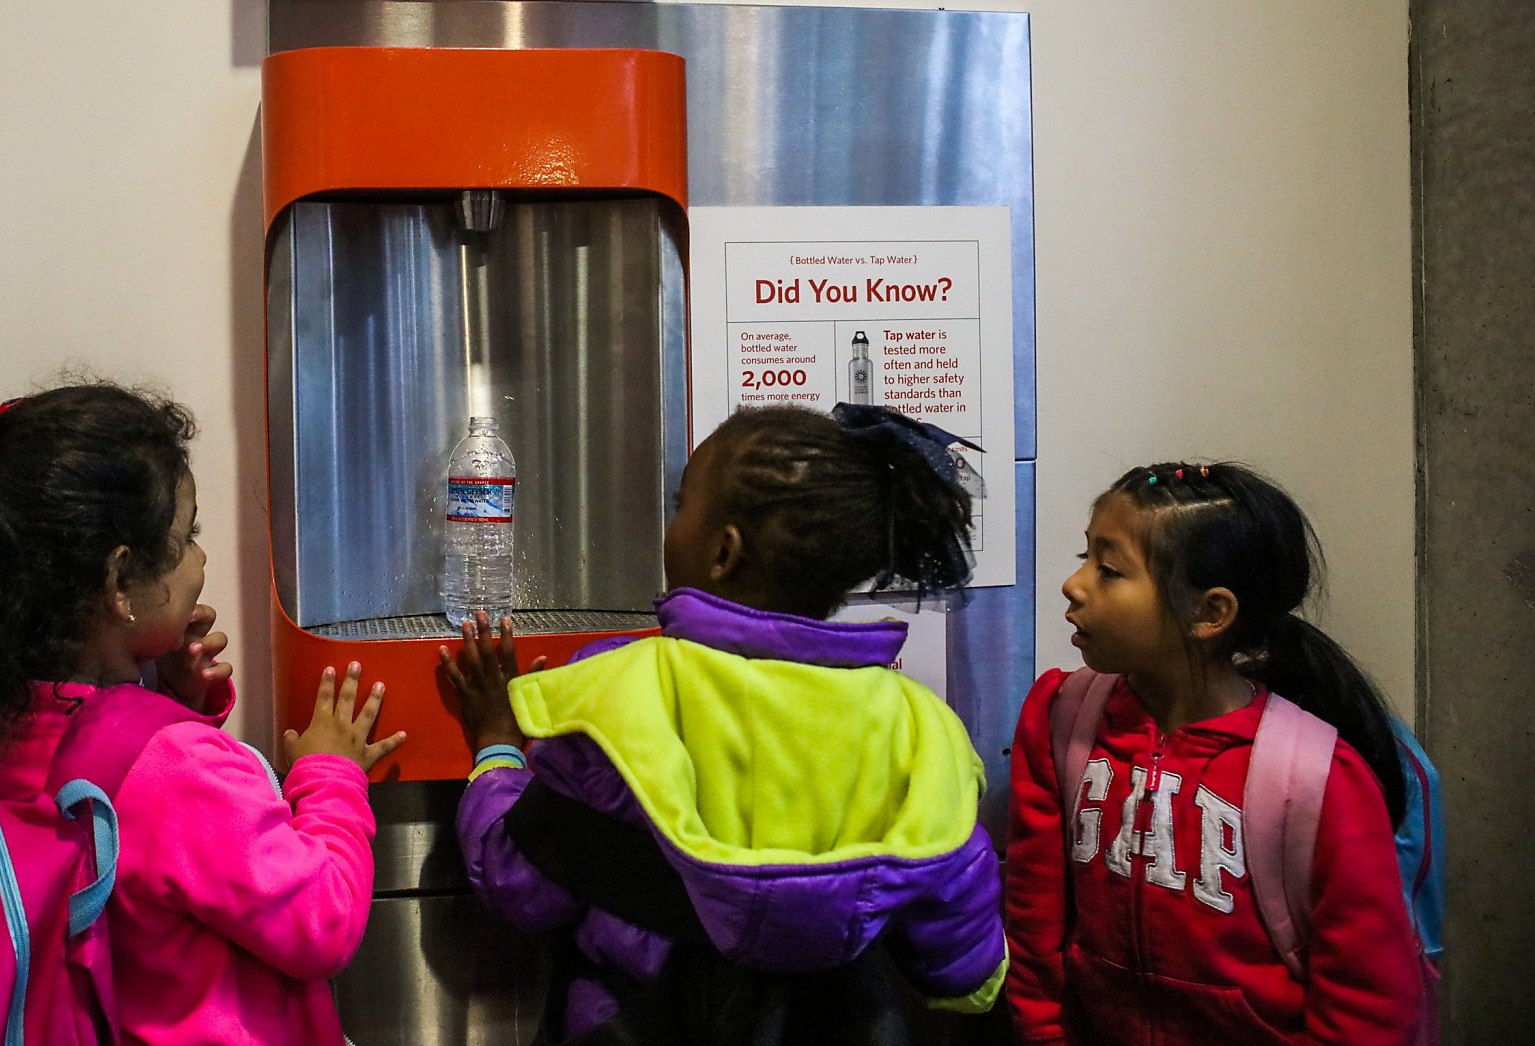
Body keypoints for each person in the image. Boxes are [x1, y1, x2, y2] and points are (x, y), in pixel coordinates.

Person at [0, 382, 403, 1045]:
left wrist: (167, 702)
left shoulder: (0, 726)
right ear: (122, 583)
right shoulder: (173, 765)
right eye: (187, 538)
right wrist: (329, 774)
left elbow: (129, 847)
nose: (201, 559)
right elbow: (321, 923)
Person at [441, 403, 1009, 1046]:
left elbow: (519, 880)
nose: (671, 523)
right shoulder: (919, 728)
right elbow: (967, 971)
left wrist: (495, 750)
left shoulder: (614, 692)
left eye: (683, 505)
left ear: (721, 551)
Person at [1005, 461, 1422, 1044]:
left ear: (1209, 613)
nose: (1074, 586)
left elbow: (1369, 999)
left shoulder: (1313, 777)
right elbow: (1033, 912)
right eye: (1084, 559)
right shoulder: (1062, 718)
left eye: (1109, 569)